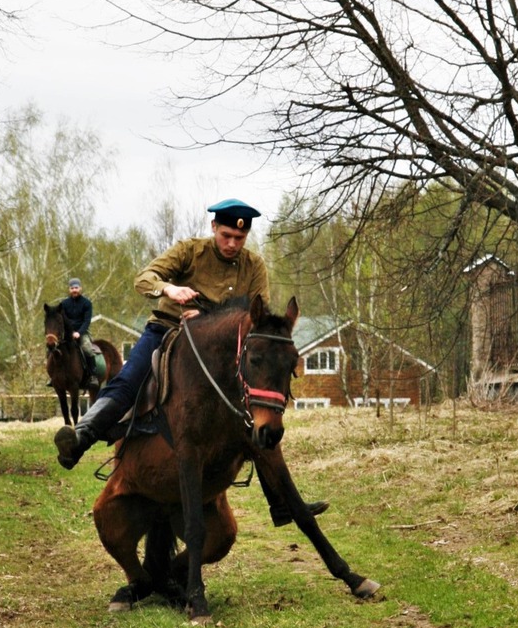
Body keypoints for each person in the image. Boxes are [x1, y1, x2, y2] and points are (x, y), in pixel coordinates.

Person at [54, 198, 328, 527]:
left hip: (220, 349)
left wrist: (209, 318)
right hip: (167, 330)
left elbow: (259, 317)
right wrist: (169, 288)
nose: (232, 243)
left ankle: (280, 503)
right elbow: (144, 278)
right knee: (129, 380)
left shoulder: (254, 265)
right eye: (226, 235)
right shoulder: (190, 251)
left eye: (239, 239)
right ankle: (80, 439)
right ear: (214, 227)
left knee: (253, 405)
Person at [60, 278, 96, 379]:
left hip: (82, 332)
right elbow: (63, 320)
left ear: (80, 288)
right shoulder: (64, 304)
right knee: (55, 348)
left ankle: (93, 374)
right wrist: (70, 332)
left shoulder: (87, 303)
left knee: (87, 349)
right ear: (69, 290)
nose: (74, 290)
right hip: (68, 333)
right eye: (72, 288)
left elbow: (87, 321)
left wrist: (79, 333)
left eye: (76, 287)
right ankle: (54, 376)